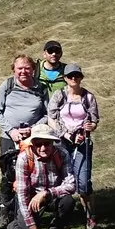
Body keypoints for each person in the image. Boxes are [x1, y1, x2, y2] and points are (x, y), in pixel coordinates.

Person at [0, 55, 49, 229]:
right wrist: (12, 131)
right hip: (9, 138)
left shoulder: (41, 88)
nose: (23, 71)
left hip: (33, 140)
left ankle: (29, 212)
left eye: (27, 68)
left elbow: (48, 114)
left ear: (33, 70)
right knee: (8, 176)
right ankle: (5, 212)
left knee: (32, 175)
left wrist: (33, 129)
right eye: (19, 68)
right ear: (14, 70)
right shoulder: (7, 85)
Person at [10, 125, 86, 229]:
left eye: (47, 143)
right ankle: (12, 227)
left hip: (52, 196)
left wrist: (47, 193)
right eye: (38, 144)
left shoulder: (62, 154)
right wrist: (33, 228)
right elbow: (22, 196)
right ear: (32, 144)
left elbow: (71, 185)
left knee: (68, 201)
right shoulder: (23, 158)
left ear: (52, 143)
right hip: (30, 199)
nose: (43, 148)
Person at [46, 63, 99, 197]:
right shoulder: (59, 95)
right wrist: (66, 135)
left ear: (81, 77)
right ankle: (64, 210)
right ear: (65, 78)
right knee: (60, 178)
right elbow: (51, 119)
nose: (74, 78)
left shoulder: (88, 97)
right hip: (60, 143)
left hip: (82, 144)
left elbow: (94, 120)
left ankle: (90, 214)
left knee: (83, 181)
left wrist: (90, 127)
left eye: (77, 75)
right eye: (70, 76)